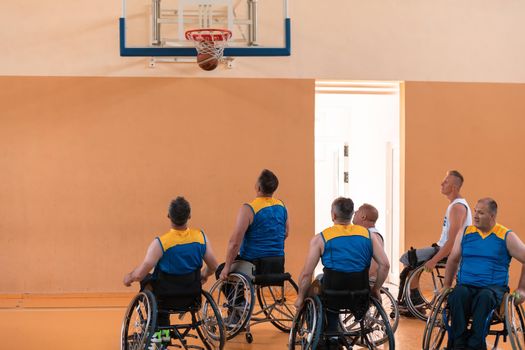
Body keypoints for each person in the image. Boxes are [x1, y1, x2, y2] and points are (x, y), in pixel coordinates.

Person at [123, 197, 219, 344]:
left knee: (146, 280)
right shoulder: (201, 238)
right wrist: (204, 275)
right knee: (158, 284)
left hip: (165, 298)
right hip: (191, 296)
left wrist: (129, 277)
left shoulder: (161, 243)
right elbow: (213, 266)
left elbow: (140, 273)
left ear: (169, 216)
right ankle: (162, 335)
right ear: (189, 216)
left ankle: (160, 336)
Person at [294, 197, 390, 342]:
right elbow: (385, 265)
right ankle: (339, 329)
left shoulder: (321, 238)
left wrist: (301, 298)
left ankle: (324, 334)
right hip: (360, 292)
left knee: (314, 286)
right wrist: (376, 288)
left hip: (332, 294)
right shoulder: (369, 235)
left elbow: (307, 274)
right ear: (352, 215)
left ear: (333, 215)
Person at [443, 198, 525, 350]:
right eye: (475, 211)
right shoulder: (466, 232)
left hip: (492, 289)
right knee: (458, 294)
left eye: (481, 213)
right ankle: (458, 344)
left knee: (484, 297)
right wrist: (447, 285)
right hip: (466, 285)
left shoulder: (505, 235)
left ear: (492, 216)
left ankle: (475, 344)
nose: (475, 215)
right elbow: (453, 260)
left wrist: (522, 289)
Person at [398, 170, 472, 306]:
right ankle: (414, 302)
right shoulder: (455, 205)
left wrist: (434, 260)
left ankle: (415, 303)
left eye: (446, 182)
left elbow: (453, 241)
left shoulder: (457, 207)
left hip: (447, 250)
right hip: (442, 247)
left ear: (454, 187)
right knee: (412, 261)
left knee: (409, 258)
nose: (441, 183)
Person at [218, 169, 288, 280]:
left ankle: (239, 298)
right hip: (277, 262)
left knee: (220, 270)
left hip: (253, 264)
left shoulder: (249, 209)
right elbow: (285, 233)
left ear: (258, 187)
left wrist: (226, 267)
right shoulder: (282, 206)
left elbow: (235, 243)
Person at [352, 203, 383, 279]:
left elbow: (374, 266)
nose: (354, 212)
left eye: (358, 211)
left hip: (366, 282)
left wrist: (355, 280)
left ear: (363, 217)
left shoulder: (374, 235)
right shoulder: (365, 234)